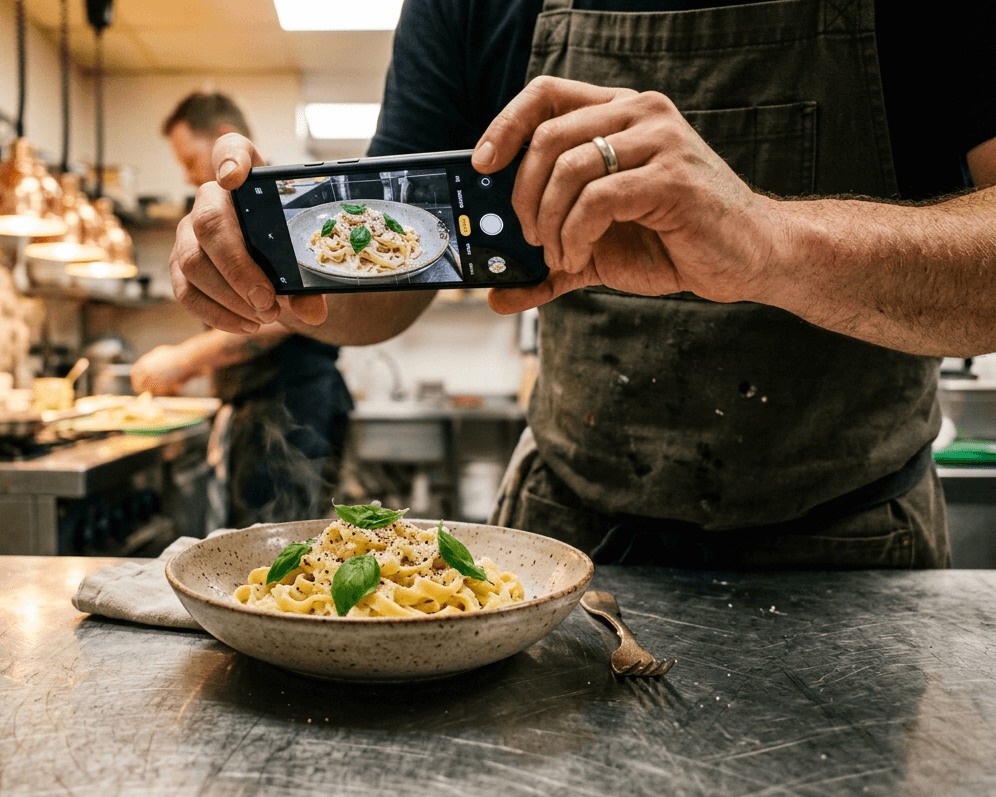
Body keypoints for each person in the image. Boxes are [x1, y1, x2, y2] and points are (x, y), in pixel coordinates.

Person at [163, 0, 996, 567]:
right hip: (567, 535)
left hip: (853, 544)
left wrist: (768, 240)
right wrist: (277, 257)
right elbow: (385, 292)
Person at [132, 92, 353, 529]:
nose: (186, 174)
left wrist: (182, 361)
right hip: (269, 410)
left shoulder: (284, 202)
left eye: (189, 159)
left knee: (280, 549)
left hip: (292, 409)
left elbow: (280, 321)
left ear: (222, 139)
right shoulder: (239, 213)